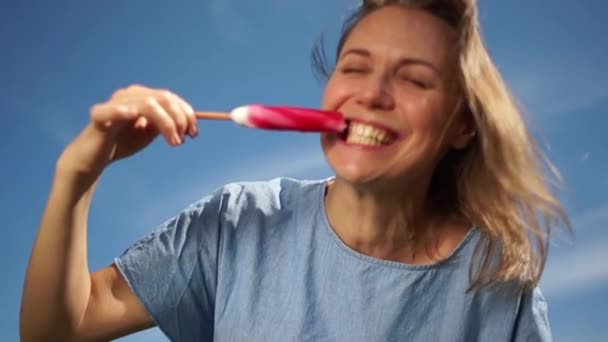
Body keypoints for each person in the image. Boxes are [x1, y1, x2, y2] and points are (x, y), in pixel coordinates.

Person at [20, 0, 571, 341]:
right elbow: (57, 329)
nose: (372, 94)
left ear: (462, 127)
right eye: (355, 67)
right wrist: (78, 177)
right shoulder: (236, 225)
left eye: (415, 80)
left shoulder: (499, 289)